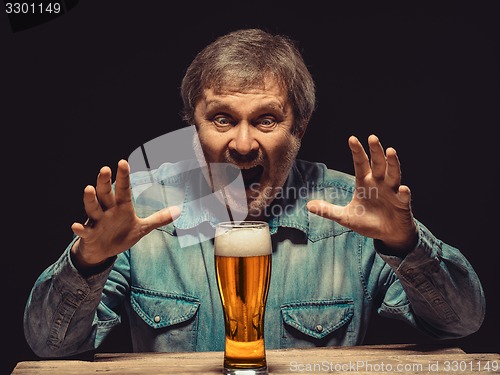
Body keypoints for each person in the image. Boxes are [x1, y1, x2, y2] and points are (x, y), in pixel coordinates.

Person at [24, 28, 485, 357]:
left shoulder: (356, 209)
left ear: (298, 128)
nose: (243, 146)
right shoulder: (143, 211)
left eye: (266, 120)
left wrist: (404, 246)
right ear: (194, 125)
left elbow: (459, 324)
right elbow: (49, 345)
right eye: (222, 118)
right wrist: (91, 262)